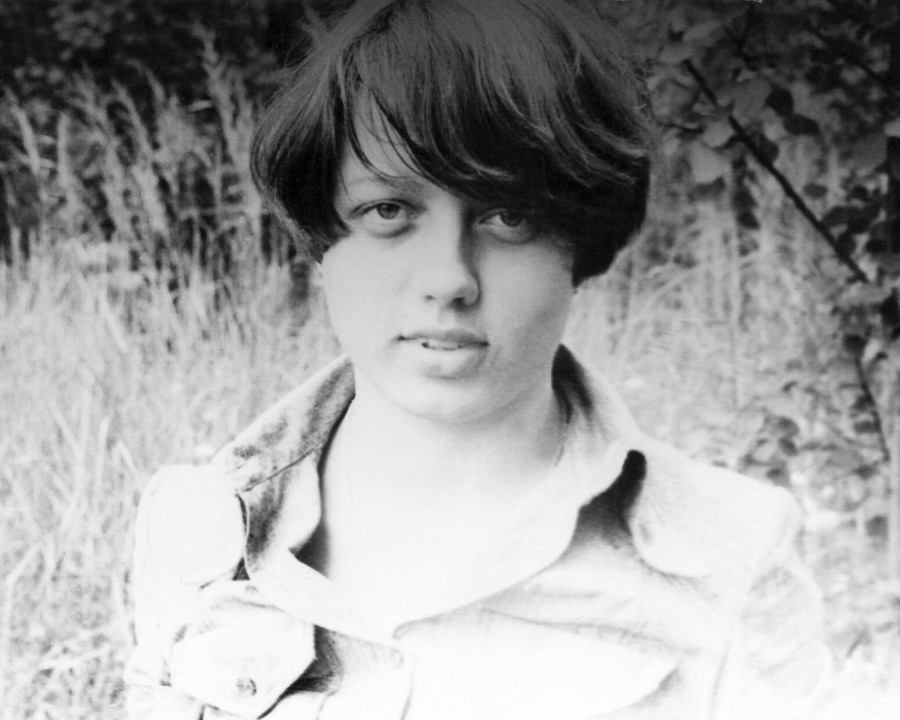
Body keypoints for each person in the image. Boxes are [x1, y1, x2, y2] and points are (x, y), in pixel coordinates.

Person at [123, 0, 833, 718]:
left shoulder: (732, 555)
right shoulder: (194, 525)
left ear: (580, 245)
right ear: (322, 237)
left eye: (509, 216)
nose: (449, 279)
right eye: (389, 211)